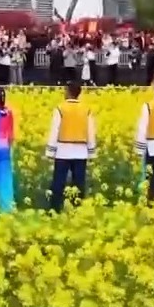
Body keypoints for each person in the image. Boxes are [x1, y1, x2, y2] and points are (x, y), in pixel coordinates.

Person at [45, 81, 97, 212]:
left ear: (68, 92)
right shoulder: (86, 109)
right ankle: (77, 209)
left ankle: (55, 209)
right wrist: (91, 151)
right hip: (81, 152)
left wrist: (50, 151)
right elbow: (91, 131)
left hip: (63, 150)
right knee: (79, 183)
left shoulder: (60, 108)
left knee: (58, 182)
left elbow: (55, 130)